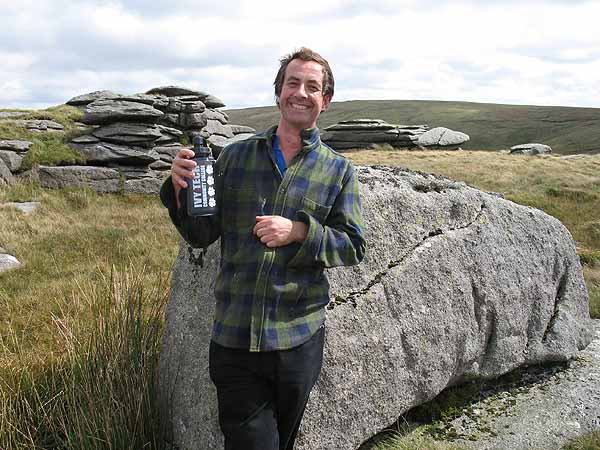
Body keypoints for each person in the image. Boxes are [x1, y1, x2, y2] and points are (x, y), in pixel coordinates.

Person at [160, 47, 366, 450]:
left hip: (297, 340)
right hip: (235, 340)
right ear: (279, 92)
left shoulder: (338, 171)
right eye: (293, 83)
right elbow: (201, 235)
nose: (301, 93)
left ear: (325, 100)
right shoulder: (235, 156)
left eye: (312, 87)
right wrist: (179, 188)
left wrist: (299, 231)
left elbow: (353, 245)